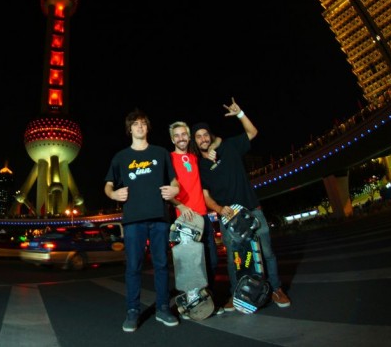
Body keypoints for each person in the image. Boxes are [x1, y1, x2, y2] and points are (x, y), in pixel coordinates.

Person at [189, 97, 291, 312]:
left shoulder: (230, 147)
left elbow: (252, 133)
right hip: (228, 217)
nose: (203, 138)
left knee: (267, 252)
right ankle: (236, 294)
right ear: (195, 142)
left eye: (205, 134)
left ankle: (276, 289)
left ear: (211, 135)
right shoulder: (199, 167)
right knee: (235, 258)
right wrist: (219, 210)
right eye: (198, 137)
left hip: (252, 209)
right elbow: (206, 196)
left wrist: (240, 114)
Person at [104, 108, 180, 332]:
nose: (139, 127)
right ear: (129, 129)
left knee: (162, 265)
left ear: (147, 128)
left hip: (159, 218)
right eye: (135, 124)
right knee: (134, 267)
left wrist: (174, 190)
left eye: (143, 124)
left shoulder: (160, 153)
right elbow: (108, 184)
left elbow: (174, 181)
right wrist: (113, 194)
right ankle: (133, 310)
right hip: (133, 220)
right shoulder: (121, 157)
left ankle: (163, 308)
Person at [167, 121, 221, 313]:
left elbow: (218, 140)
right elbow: (166, 191)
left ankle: (209, 298)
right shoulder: (169, 159)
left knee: (211, 260)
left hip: (203, 216)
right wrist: (180, 205)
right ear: (172, 139)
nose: (181, 138)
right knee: (191, 264)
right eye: (177, 135)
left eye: (184, 134)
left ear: (188, 137)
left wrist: (213, 147)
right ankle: (193, 301)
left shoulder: (195, 157)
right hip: (186, 219)